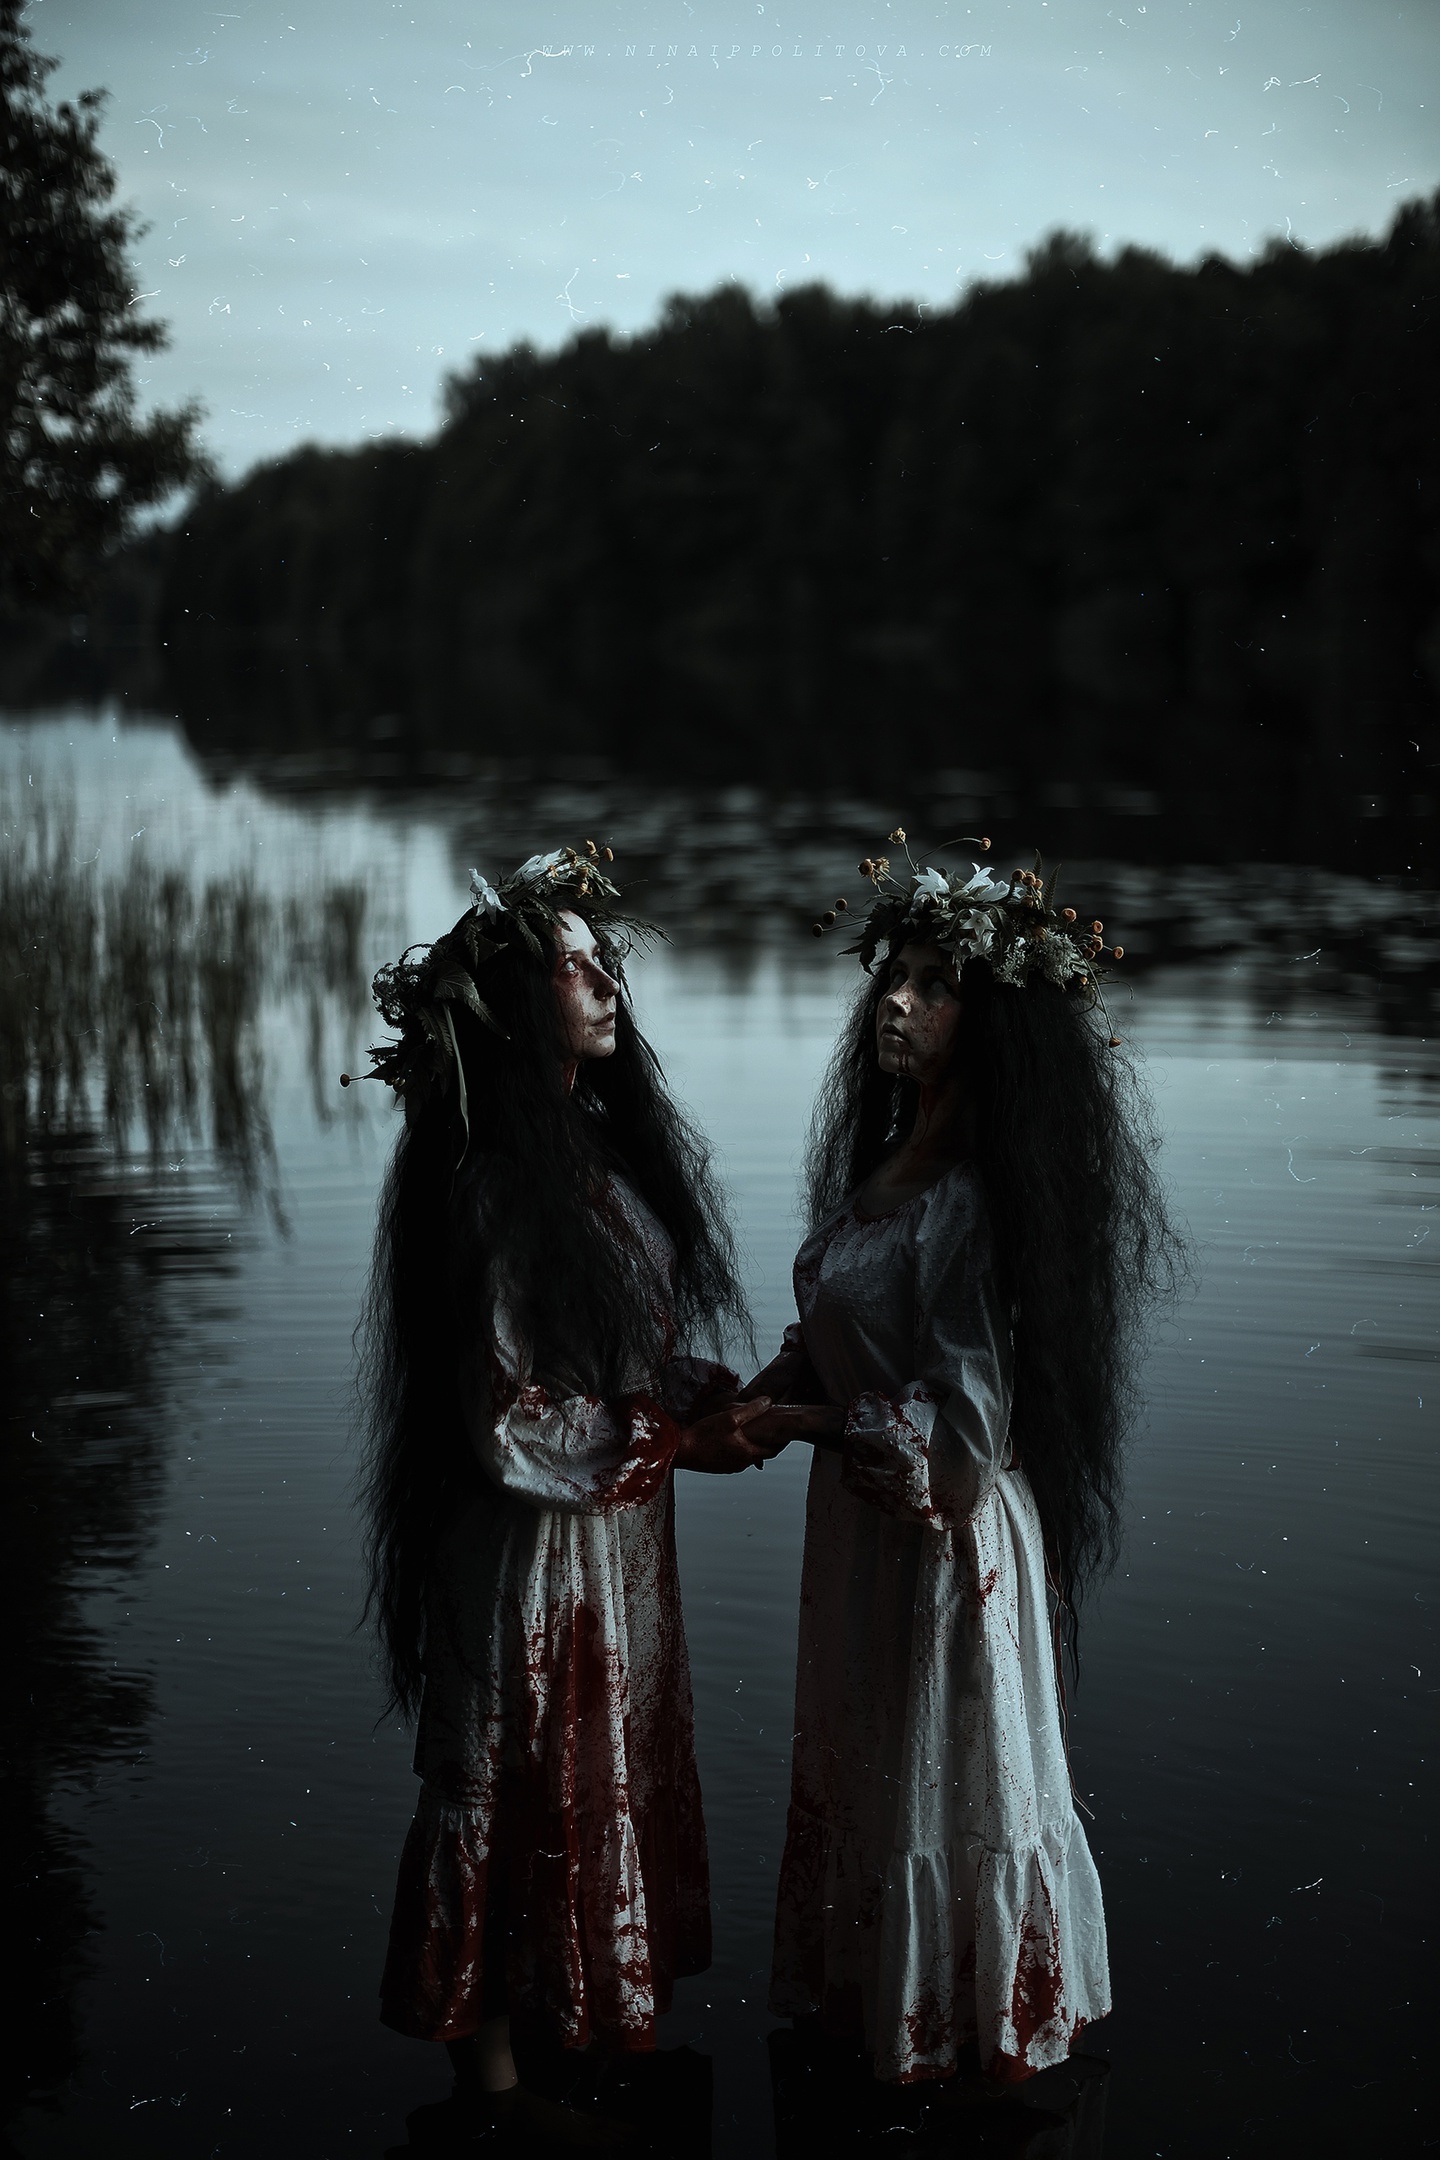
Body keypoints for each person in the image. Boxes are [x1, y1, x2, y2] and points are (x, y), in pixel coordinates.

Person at [356, 845, 776, 2148]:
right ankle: (488, 2088)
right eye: (574, 966)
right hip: (532, 1540)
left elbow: (612, 1358)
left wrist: (711, 1397)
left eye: (610, 964)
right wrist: (674, 1441)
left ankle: (555, 2030)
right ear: (508, 1003)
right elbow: (503, 1415)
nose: (608, 985)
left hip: (610, 1530)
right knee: (505, 1764)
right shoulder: (486, 1175)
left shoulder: (586, 1150)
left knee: (584, 1760)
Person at [752, 836, 1181, 2098]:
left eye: (935, 984)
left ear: (987, 1019)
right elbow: (837, 1329)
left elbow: (957, 1443)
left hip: (945, 1551)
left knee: (945, 1795)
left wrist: (805, 1430)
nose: (894, 997)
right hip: (872, 1543)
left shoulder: (976, 1200)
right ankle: (897, 2055)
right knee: (882, 1787)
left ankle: (964, 2055)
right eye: (893, 973)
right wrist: (767, 1391)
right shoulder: (885, 1171)